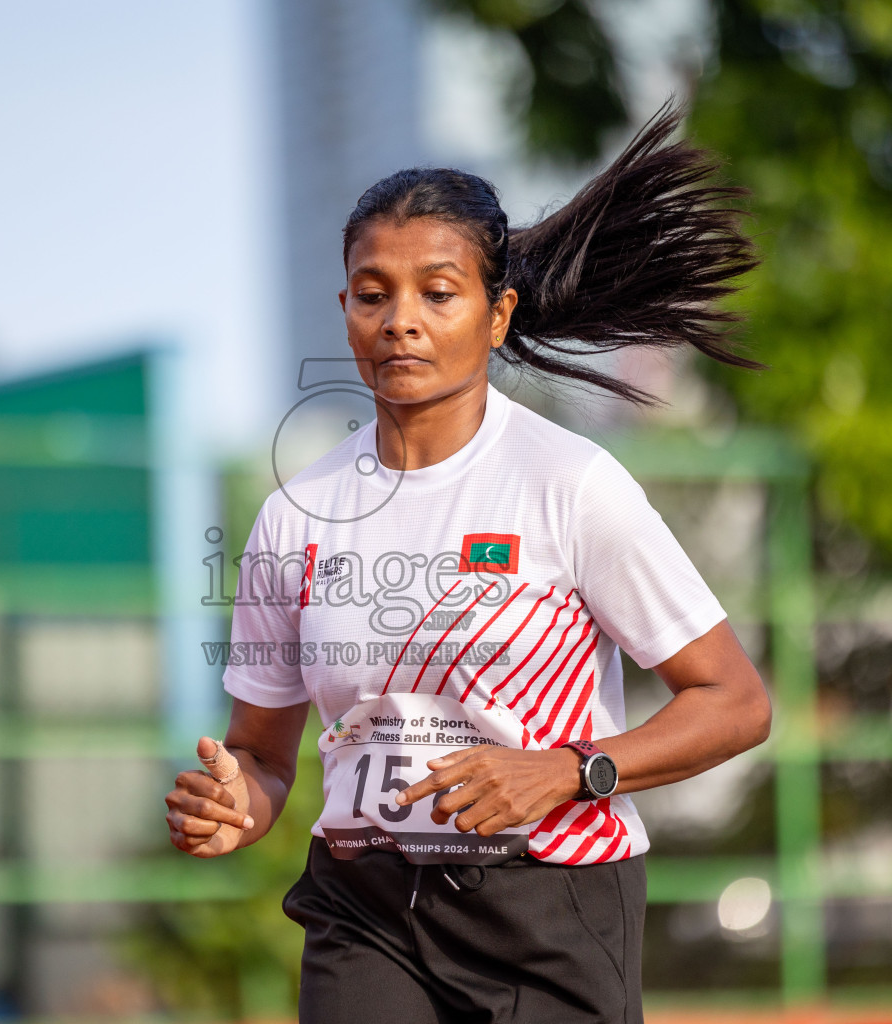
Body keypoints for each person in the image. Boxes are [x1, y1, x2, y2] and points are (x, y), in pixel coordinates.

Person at [164, 105, 773, 1023]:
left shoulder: (570, 485)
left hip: (550, 904)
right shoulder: (294, 516)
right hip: (365, 905)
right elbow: (263, 756)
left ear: (497, 316)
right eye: (373, 295)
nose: (400, 322)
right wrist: (235, 803)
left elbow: (736, 703)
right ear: (344, 310)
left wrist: (566, 772)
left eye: (437, 294)